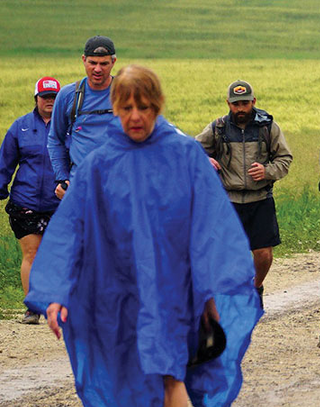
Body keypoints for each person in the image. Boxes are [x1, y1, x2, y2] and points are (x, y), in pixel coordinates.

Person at [25, 65, 261, 407]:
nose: (136, 117)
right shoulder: (99, 165)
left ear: (158, 105)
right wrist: (56, 291)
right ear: (115, 108)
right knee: (127, 381)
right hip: (114, 293)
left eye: (145, 107)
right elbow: (70, 231)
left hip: (170, 289)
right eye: (126, 108)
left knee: (168, 372)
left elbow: (210, 227)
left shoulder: (184, 157)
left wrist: (208, 293)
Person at [196, 80, 293, 309]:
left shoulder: (268, 127)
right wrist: (205, 160)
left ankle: (256, 286)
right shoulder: (217, 128)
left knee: (263, 255)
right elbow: (192, 150)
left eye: (245, 103)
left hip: (260, 199)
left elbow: (285, 159)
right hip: (227, 201)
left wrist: (267, 171)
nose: (241, 109)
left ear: (253, 102)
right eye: (236, 104)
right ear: (228, 103)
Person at [0, 77, 61, 324]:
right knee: (32, 254)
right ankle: (32, 307)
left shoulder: (69, 127)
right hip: (26, 201)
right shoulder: (21, 126)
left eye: (54, 97)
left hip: (60, 203)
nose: (49, 101)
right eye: (45, 96)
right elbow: (6, 161)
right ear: (36, 98)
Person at [48, 36, 119, 201]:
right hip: (80, 188)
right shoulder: (68, 95)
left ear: (114, 62)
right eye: (93, 63)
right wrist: (62, 178)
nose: (98, 69)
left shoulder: (128, 93)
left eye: (104, 64)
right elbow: (55, 139)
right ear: (83, 60)